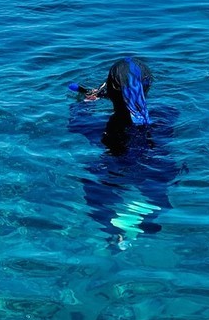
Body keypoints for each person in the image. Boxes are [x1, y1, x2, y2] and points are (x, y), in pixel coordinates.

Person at [68, 57, 177, 247]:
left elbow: (75, 124)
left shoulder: (96, 125)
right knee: (160, 196)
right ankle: (151, 213)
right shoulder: (167, 115)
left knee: (94, 190)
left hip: (116, 166)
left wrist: (84, 104)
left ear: (109, 91)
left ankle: (113, 232)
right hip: (158, 165)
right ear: (147, 87)